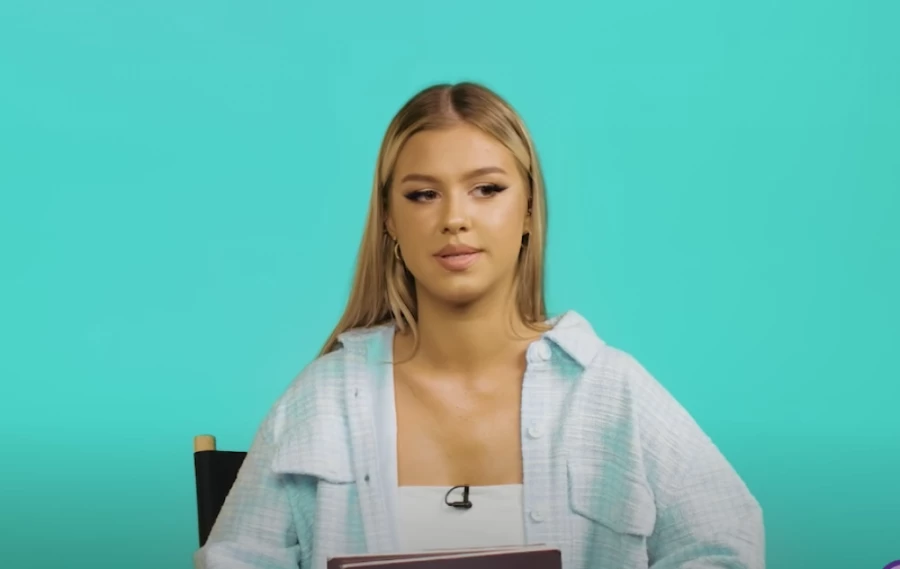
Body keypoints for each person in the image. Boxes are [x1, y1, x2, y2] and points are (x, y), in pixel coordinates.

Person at [194, 82, 764, 569]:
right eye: (423, 194)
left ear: (529, 208)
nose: (454, 218)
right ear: (390, 219)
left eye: (487, 189)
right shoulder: (324, 398)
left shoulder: (611, 390)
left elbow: (725, 548)